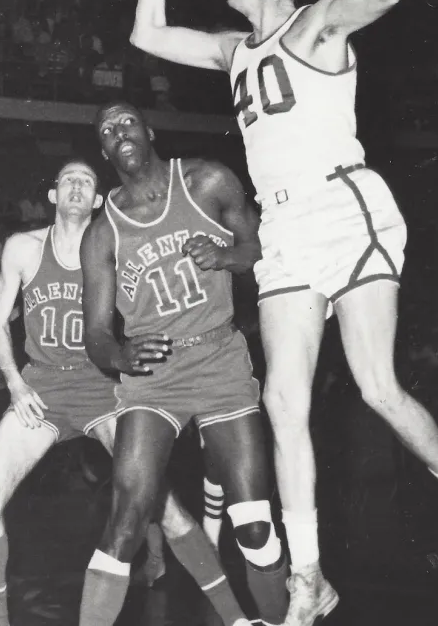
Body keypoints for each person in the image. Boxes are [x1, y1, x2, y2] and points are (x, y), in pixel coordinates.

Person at [127, 0, 438, 624]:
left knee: (376, 386)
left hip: (345, 206)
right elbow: (147, 33)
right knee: (282, 403)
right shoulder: (235, 49)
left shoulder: (319, 25)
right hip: (285, 230)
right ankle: (307, 577)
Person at [0, 159, 251, 626]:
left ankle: (236, 618)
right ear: (54, 196)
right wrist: (15, 384)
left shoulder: (115, 247)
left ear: (99, 200)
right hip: (42, 386)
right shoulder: (22, 248)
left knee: (169, 510)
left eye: (87, 180)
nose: (77, 185)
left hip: (104, 389)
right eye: (67, 179)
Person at [77, 107, 289, 626]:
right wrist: (121, 356)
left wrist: (226, 257)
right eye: (106, 131)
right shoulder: (103, 234)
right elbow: (97, 336)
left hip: (219, 360)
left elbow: (262, 249)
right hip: (154, 377)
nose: (117, 133)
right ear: (105, 153)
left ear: (149, 131)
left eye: (126, 122)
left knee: (254, 525)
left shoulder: (208, 180)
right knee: (126, 521)